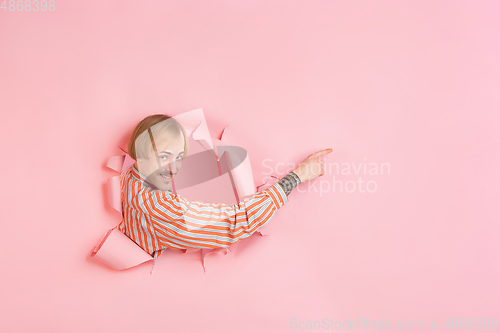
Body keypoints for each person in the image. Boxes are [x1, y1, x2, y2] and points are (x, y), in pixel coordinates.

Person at [117, 114, 332, 259]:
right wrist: (297, 176)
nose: (174, 167)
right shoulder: (159, 209)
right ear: (140, 155)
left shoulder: (132, 175)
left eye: (179, 156)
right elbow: (235, 222)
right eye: (164, 156)